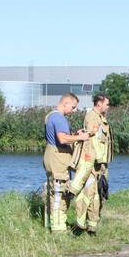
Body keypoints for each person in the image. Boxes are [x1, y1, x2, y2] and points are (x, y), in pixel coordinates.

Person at [43, 93, 88, 233]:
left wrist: (74, 134)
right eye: (73, 107)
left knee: (54, 192)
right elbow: (62, 139)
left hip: (52, 159)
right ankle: (58, 229)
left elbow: (59, 137)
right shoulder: (59, 118)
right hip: (58, 161)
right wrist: (80, 137)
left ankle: (50, 224)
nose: (74, 110)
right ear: (65, 103)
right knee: (58, 194)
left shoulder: (51, 116)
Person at [68, 94, 112, 234]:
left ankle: (92, 226)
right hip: (91, 162)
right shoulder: (92, 116)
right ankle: (80, 224)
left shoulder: (100, 117)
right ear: (99, 103)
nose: (108, 106)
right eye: (107, 103)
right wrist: (99, 159)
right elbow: (92, 140)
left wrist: (102, 164)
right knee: (87, 193)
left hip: (99, 165)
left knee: (97, 194)